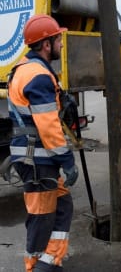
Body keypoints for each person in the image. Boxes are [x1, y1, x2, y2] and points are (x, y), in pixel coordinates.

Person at [7, 14, 79, 272]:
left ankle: (50, 262)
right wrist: (68, 162)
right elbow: (48, 126)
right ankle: (36, 266)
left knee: (61, 205)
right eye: (58, 39)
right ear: (46, 44)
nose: (61, 43)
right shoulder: (38, 75)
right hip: (37, 159)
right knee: (41, 217)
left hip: (34, 157)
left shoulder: (27, 68)